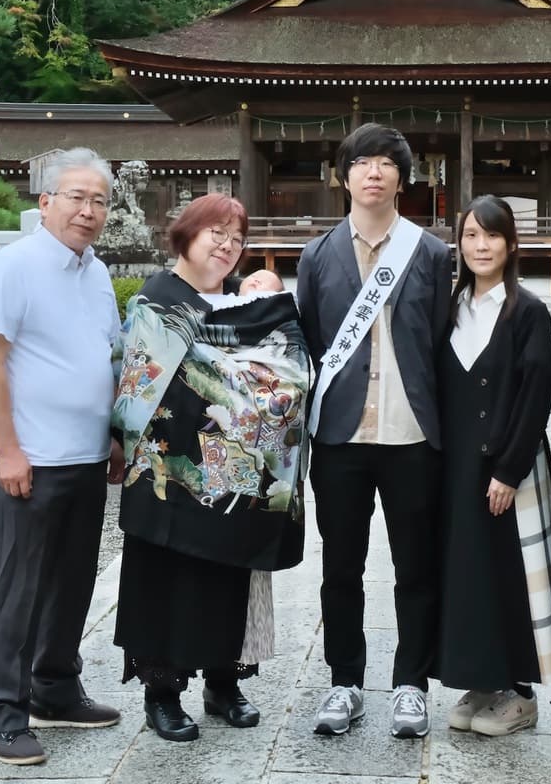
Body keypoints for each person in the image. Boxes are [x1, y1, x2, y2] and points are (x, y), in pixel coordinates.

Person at [111, 194, 310, 743]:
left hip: (236, 475)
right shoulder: (159, 299)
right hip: (172, 474)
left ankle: (225, 683)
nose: (226, 246)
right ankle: (163, 693)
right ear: (186, 236)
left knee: (233, 576)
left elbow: (288, 369)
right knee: (168, 580)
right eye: (215, 234)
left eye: (236, 238)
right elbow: (137, 383)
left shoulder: (249, 305)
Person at [296, 123, 451, 739]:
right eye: (362, 162)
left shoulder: (433, 253)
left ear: (402, 178)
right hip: (341, 439)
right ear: (344, 176)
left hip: (412, 434)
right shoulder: (317, 255)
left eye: (387, 163)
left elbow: (442, 339)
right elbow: (307, 339)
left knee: (416, 566)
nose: (375, 172)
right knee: (342, 567)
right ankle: (345, 681)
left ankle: (411, 684)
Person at [0, 148, 124, 767]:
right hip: (28, 458)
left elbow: (107, 359)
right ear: (45, 202)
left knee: (70, 583)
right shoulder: (15, 266)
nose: (88, 211)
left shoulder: (96, 271)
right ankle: (1, 713)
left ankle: (55, 688)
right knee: (17, 588)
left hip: (86, 457)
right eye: (76, 198)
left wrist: (113, 436)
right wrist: (9, 449)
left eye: (100, 201)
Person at [435, 195, 551, 737]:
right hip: (456, 466)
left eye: (491, 235)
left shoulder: (527, 310)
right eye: (470, 235)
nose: (480, 245)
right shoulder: (451, 307)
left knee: (511, 574)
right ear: (459, 244)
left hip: (506, 466)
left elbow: (538, 393)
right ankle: (482, 680)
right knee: (468, 573)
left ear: (511, 244)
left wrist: (510, 470)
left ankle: (520, 691)